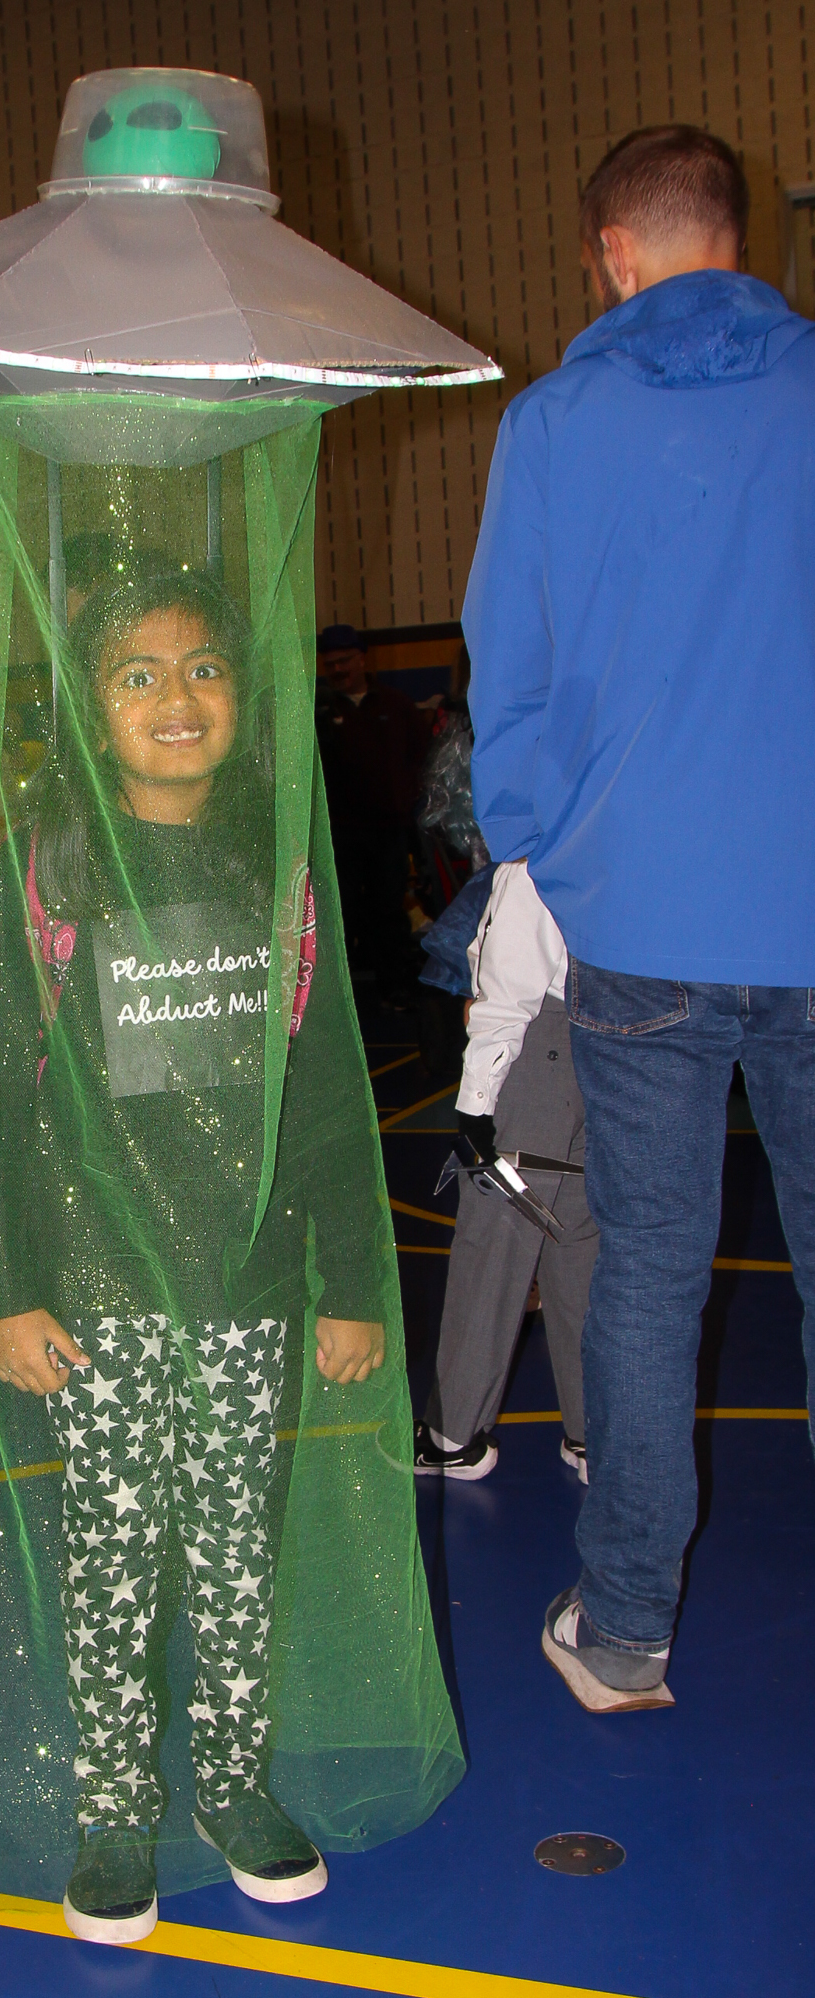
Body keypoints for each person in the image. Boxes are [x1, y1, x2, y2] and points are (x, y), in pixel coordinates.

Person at [0, 566, 387, 1942]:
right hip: (96, 1287)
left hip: (246, 1284)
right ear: (89, 707)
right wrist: (7, 1289)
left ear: (243, 696)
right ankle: (111, 1803)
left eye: (203, 667)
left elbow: (323, 1088)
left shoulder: (280, 870)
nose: (176, 697)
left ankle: (230, 1780)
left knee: (233, 1550)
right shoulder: (51, 870)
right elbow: (0, 1096)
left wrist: (350, 1282)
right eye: (135, 674)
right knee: (111, 1551)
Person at [464, 124, 815, 1714]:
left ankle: (621, 1635)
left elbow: (510, 676)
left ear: (611, 252)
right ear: (742, 240)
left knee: (652, 1274)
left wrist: (542, 846)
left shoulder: (554, 422)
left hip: (644, 920)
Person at [413, 860, 595, 1481]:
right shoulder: (614, 842)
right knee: (581, 1245)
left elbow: (507, 993)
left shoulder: (535, 861)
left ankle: (452, 1436)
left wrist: (476, 1102)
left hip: (539, 1051)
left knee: (494, 1244)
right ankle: (593, 1433)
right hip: (606, 1049)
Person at [314, 624, 434, 1003]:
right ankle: (343, 1001)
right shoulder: (317, 713)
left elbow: (423, 759)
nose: (338, 670)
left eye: (345, 661)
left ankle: (395, 992)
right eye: (330, 664)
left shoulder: (396, 706)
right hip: (339, 836)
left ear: (362, 659)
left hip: (389, 832)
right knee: (342, 914)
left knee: (389, 911)